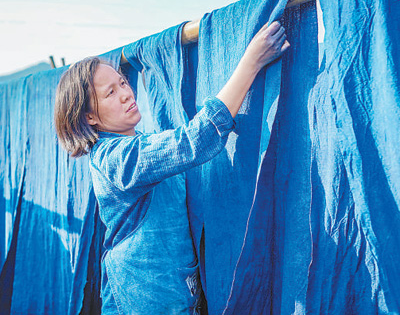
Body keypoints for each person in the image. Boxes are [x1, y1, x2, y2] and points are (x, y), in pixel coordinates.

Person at [54, 21, 289, 315]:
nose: (127, 93)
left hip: (173, 291)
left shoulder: (141, 142)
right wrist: (250, 62)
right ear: (89, 116)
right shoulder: (114, 158)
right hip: (143, 298)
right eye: (110, 93)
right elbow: (194, 141)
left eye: (123, 83)